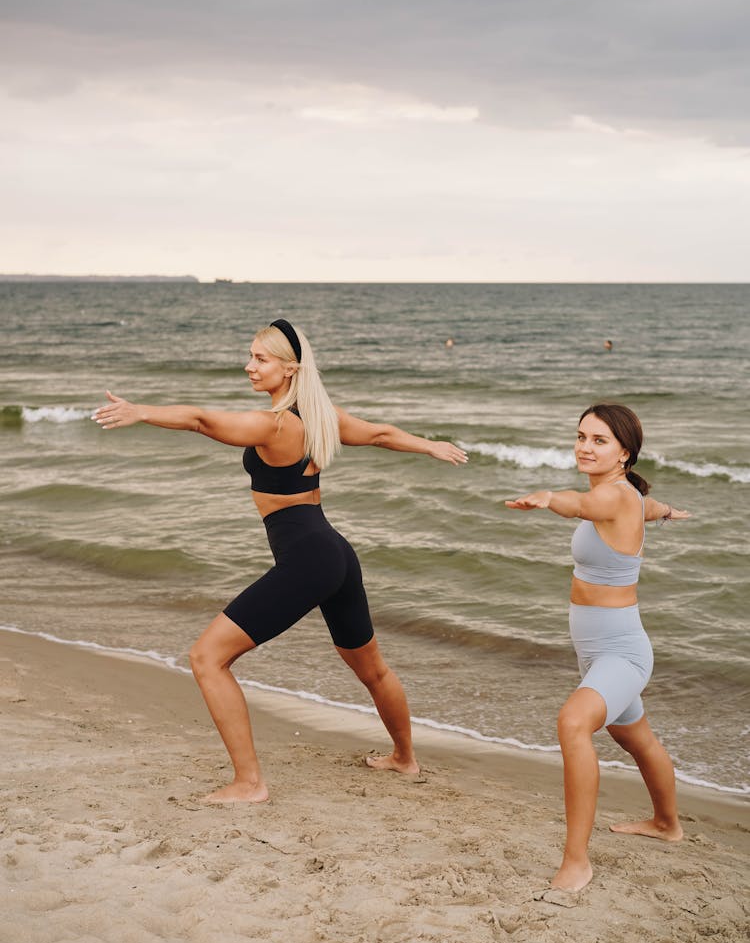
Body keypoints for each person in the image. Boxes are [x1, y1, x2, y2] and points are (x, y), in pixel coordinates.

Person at [92, 318, 467, 804]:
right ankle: (405, 759)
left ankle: (249, 784)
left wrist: (142, 411)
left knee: (208, 658)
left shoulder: (274, 424)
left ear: (289, 369)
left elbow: (202, 421)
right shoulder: (320, 416)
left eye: (261, 359)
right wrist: (429, 445)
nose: (250, 366)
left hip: (310, 559)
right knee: (371, 669)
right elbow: (379, 434)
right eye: (250, 356)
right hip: (335, 552)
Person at [505, 403, 689, 892]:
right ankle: (667, 824)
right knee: (637, 739)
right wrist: (666, 510)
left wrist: (548, 497)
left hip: (623, 652)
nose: (585, 446)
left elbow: (583, 506)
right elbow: (642, 507)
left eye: (599, 440)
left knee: (572, 723)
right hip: (596, 651)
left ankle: (577, 861)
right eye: (581, 436)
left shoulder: (611, 498)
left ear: (624, 452)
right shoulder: (628, 496)